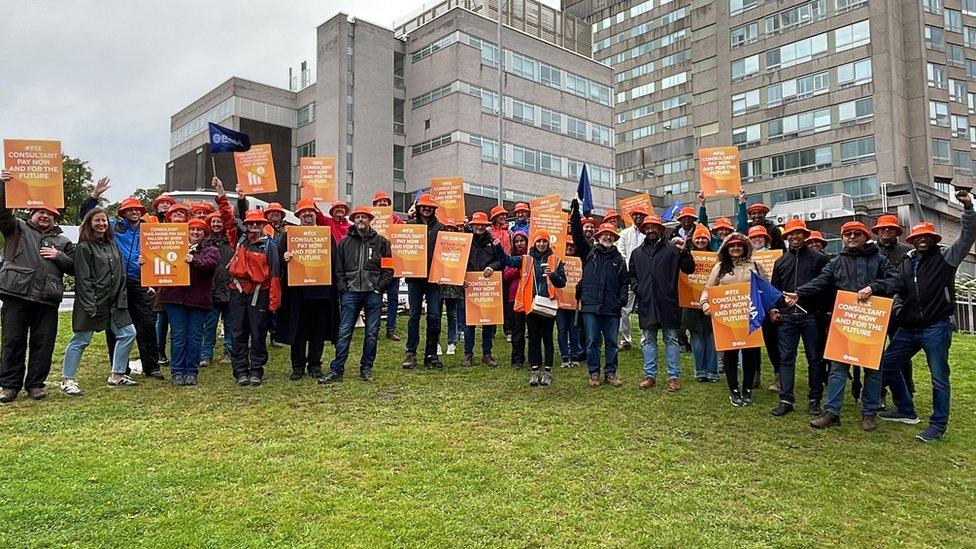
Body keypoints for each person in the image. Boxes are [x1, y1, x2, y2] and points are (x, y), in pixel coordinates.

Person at [877, 192, 976, 441]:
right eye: (918, 237)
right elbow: (897, 288)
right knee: (887, 364)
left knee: (939, 376)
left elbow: (967, 237)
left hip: (936, 327)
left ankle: (937, 425)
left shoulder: (946, 258)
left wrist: (968, 209)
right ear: (912, 240)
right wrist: (898, 307)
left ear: (933, 239)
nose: (922, 240)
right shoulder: (907, 263)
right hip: (909, 328)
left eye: (927, 236)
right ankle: (905, 409)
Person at [785, 220, 901, 430]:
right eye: (848, 234)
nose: (852, 237)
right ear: (842, 239)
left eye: (857, 234)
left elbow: (896, 281)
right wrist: (799, 293)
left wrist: (874, 287)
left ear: (866, 237)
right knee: (837, 368)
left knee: (873, 369)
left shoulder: (880, 260)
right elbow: (821, 281)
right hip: (845, 321)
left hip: (870, 323)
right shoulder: (836, 261)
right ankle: (832, 412)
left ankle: (869, 413)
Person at [0, 171, 75, 402]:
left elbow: (75, 267)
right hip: (17, 295)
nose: (45, 216)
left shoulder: (63, 241)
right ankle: (9, 386)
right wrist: (3, 187)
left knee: (43, 344)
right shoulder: (16, 228)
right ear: (32, 212)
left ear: (55, 218)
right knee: (12, 341)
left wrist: (58, 256)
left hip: (47, 299)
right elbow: (2, 213)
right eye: (41, 212)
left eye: (50, 213)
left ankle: (35, 385)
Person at [80, 179, 165, 380]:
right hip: (116, 283)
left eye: (137, 209)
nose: (134, 212)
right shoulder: (114, 227)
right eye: (130, 210)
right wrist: (94, 196)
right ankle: (119, 368)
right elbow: (88, 216)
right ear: (123, 213)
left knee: (146, 324)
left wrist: (153, 282)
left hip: (139, 281)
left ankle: (151, 367)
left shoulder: (150, 230)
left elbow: (162, 253)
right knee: (115, 326)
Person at [59, 208, 138, 395]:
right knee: (81, 340)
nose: (102, 224)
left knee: (128, 333)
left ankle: (117, 375)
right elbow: (82, 278)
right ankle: (67, 380)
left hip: (115, 301)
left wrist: (121, 295)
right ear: (89, 223)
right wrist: (89, 304)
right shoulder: (84, 247)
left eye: (104, 220)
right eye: (97, 220)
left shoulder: (112, 245)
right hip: (93, 302)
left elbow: (119, 273)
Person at [219, 178, 282, 386]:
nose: (254, 226)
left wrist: (274, 302)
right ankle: (240, 372)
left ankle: (256, 370)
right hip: (237, 292)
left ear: (263, 225)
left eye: (257, 224)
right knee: (238, 332)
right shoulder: (238, 238)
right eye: (250, 224)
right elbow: (228, 217)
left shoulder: (270, 246)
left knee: (258, 333)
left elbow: (274, 274)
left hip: (259, 293)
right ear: (246, 226)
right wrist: (222, 193)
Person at [321, 207, 394, 383]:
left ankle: (366, 368)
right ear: (354, 220)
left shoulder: (382, 243)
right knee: (344, 331)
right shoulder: (344, 243)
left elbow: (389, 269)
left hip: (372, 294)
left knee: (371, 332)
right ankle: (337, 370)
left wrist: (379, 288)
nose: (361, 220)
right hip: (350, 293)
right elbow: (338, 269)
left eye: (364, 217)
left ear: (370, 220)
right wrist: (343, 288)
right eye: (358, 217)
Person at [769, 219, 831, 417]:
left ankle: (814, 400)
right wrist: (777, 307)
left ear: (805, 235)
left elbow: (825, 286)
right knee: (786, 359)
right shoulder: (780, 261)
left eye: (798, 234)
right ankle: (786, 399)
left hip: (811, 316)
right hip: (787, 317)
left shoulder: (819, 259)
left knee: (815, 359)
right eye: (790, 235)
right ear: (786, 238)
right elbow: (775, 289)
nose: (794, 237)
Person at [630, 215, 695, 392]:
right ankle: (650, 375)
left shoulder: (673, 249)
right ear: (644, 230)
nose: (650, 230)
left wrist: (685, 251)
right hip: (647, 302)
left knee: (671, 339)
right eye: (647, 227)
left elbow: (689, 269)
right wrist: (639, 289)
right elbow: (632, 275)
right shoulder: (637, 253)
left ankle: (673, 377)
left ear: (661, 229)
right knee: (648, 339)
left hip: (668, 302)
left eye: (654, 227)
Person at [701, 233, 767, 406]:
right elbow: (709, 288)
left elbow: (766, 288)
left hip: (750, 316)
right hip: (727, 317)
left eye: (739, 245)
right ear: (726, 249)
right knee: (730, 354)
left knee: (750, 354)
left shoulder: (756, 266)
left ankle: (747, 389)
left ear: (745, 248)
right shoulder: (720, 267)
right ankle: (734, 389)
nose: (736, 248)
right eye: (732, 246)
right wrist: (705, 303)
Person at [278, 198, 339, 381]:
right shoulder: (288, 236)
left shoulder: (326, 235)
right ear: (298, 216)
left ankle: (315, 365)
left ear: (315, 215)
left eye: (310, 212)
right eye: (303, 213)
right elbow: (277, 262)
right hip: (296, 293)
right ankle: (297, 367)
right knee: (298, 331)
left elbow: (334, 261)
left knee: (318, 331)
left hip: (321, 293)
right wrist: (284, 258)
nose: (307, 215)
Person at [153, 218, 219, 386]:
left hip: (198, 301)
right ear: (186, 232)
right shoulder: (171, 247)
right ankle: (176, 372)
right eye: (192, 229)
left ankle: (191, 372)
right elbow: (157, 263)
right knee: (178, 336)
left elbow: (210, 265)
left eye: (199, 230)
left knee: (195, 337)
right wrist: (145, 262)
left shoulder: (211, 249)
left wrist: (193, 260)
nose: (195, 232)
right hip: (175, 299)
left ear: (204, 234)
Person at [570, 200, 629, 387]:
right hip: (591, 307)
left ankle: (610, 373)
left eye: (610, 235)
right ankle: (594, 373)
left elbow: (624, 282)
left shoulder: (619, 259)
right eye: (604, 234)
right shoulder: (588, 253)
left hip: (611, 308)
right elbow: (578, 236)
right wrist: (575, 214)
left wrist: (621, 301)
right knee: (592, 342)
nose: (607, 237)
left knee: (612, 343)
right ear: (598, 236)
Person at [511, 230, 567, 386]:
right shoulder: (526, 259)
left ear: (548, 243)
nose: (541, 244)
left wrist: (552, 274)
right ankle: (535, 371)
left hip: (548, 305)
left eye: (544, 241)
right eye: (539, 241)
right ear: (534, 243)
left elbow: (562, 282)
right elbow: (507, 261)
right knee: (533, 338)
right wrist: (495, 245)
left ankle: (547, 371)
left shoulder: (556, 260)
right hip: (531, 305)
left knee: (548, 338)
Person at [872, 214, 915, 396]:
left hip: (900, 310)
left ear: (897, 231)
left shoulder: (908, 252)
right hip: (874, 308)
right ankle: (879, 392)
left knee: (901, 354)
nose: (886, 231)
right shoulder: (870, 252)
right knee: (874, 353)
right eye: (883, 228)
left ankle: (907, 388)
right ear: (877, 232)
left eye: (890, 228)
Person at [403, 194, 447, 369]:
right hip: (414, 278)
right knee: (413, 315)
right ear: (419, 208)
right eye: (423, 206)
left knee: (435, 315)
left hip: (434, 279)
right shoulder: (409, 227)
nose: (427, 209)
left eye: (430, 207)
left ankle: (431, 354)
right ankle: (410, 353)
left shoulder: (442, 229)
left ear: (434, 209)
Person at [461, 212, 503, 367]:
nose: (479, 227)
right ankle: (468, 355)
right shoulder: (465, 241)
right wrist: (461, 277)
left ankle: (487, 354)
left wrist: (492, 267)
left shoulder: (493, 242)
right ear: (472, 225)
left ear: (487, 226)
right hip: (469, 287)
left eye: (482, 225)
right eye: (476, 224)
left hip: (487, 288)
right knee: (468, 324)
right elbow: (459, 261)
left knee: (488, 322)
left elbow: (501, 261)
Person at [155, 202, 190, 366]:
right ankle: (160, 351)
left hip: (187, 285)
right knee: (162, 319)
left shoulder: (191, 233)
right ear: (169, 217)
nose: (178, 217)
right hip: (166, 283)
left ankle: (183, 355)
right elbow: (152, 253)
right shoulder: (160, 233)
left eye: (181, 214)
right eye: (175, 214)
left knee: (181, 323)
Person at [683, 224, 719, 383]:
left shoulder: (717, 257)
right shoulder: (686, 256)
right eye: (698, 237)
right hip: (690, 301)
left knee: (711, 336)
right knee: (696, 336)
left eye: (705, 237)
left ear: (709, 239)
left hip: (711, 302)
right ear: (693, 239)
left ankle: (712, 371)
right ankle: (700, 371)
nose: (701, 240)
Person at [748, 224, 780, 391]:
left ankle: (779, 376)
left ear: (766, 239)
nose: (757, 240)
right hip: (751, 303)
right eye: (753, 238)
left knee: (771, 341)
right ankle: (755, 375)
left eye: (760, 237)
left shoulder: (775, 256)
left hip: (768, 303)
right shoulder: (745, 258)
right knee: (753, 341)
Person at [201, 207, 234, 366]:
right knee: (209, 325)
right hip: (211, 290)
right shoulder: (205, 243)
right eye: (213, 221)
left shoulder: (232, 241)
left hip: (230, 289)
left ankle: (229, 351)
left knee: (230, 324)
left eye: (219, 221)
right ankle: (206, 354)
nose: (216, 224)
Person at [372, 192, 406, 341]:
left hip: (393, 264)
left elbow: (404, 234)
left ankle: (390, 329)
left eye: (386, 203)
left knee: (393, 298)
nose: (383, 205)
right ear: (375, 205)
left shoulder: (396, 219)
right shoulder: (371, 220)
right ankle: (374, 328)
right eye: (380, 203)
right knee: (375, 298)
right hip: (376, 266)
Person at [616, 205, 650, 351]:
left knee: (645, 308)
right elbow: (620, 251)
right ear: (632, 217)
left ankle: (645, 339)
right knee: (623, 309)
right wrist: (628, 268)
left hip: (645, 277)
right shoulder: (624, 233)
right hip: (628, 276)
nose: (638, 217)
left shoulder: (648, 234)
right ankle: (625, 339)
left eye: (641, 215)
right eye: (636, 215)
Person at [555, 238, 582, 368]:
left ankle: (575, 355)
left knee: (574, 329)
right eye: (568, 246)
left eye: (572, 246)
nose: (570, 248)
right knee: (562, 329)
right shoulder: (558, 261)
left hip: (575, 301)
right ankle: (565, 356)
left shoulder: (580, 261)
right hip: (560, 300)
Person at [439, 219, 464, 357]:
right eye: (447, 228)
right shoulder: (437, 245)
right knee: (435, 314)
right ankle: (435, 343)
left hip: (454, 285)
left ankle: (452, 342)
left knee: (452, 314)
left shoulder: (461, 246)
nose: (449, 231)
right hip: (438, 284)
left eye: (452, 229)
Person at [504, 231, 529, 369]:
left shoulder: (532, 256)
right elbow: (506, 274)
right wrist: (519, 269)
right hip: (515, 297)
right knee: (517, 330)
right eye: (517, 241)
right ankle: (517, 359)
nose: (519, 243)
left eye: (522, 241)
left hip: (530, 297)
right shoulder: (512, 258)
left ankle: (533, 358)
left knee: (532, 330)